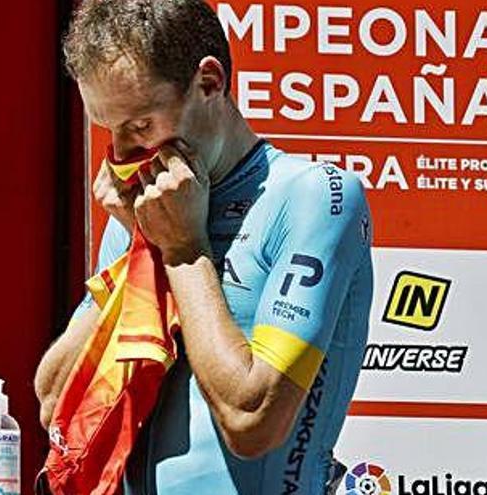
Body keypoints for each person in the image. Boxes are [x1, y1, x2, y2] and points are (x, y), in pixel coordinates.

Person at [34, 1, 373, 493]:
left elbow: (252, 420)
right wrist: (140, 252)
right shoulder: (150, 212)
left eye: (141, 126)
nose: (125, 156)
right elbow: (56, 403)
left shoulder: (314, 196)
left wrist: (184, 251)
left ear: (209, 82)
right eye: (110, 129)